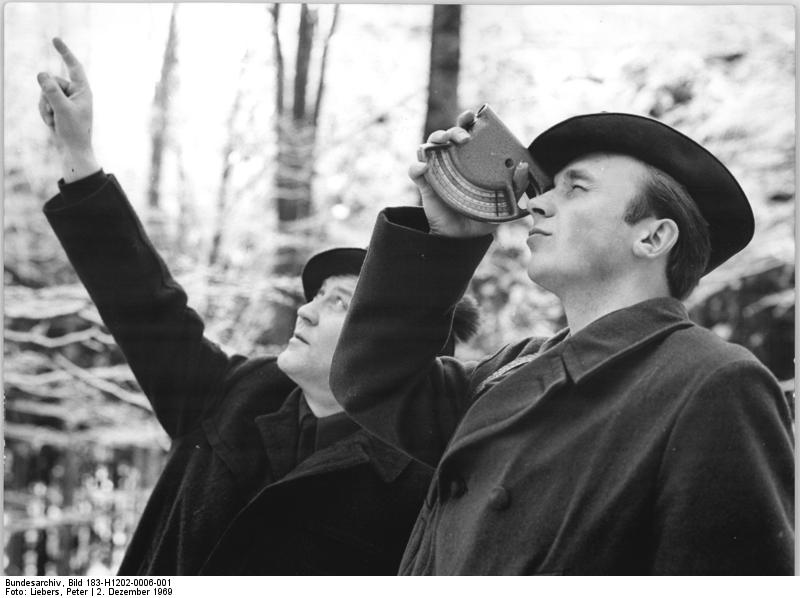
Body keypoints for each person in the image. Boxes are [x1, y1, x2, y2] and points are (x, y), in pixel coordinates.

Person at [35, 38, 477, 575]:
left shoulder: (425, 483)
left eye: (338, 302)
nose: (306, 312)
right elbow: (142, 304)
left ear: (391, 343)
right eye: (314, 296)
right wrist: (78, 154)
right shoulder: (233, 394)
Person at [330, 109, 795, 574]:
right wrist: (448, 240)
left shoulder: (713, 382)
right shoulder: (516, 367)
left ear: (653, 236)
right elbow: (373, 381)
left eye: (575, 188)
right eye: (549, 187)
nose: (537, 203)